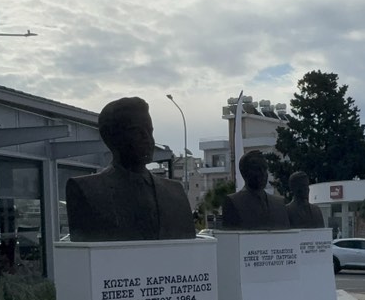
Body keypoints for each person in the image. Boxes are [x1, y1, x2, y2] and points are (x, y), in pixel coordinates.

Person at [65, 97, 197, 242]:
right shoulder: (87, 190)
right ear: (111, 137)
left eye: (150, 131)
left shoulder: (175, 193)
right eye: (136, 131)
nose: (148, 139)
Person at [221, 150, 291, 229]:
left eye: (265, 169)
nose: (263, 174)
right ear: (244, 173)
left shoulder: (279, 203)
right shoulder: (233, 202)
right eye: (257, 169)